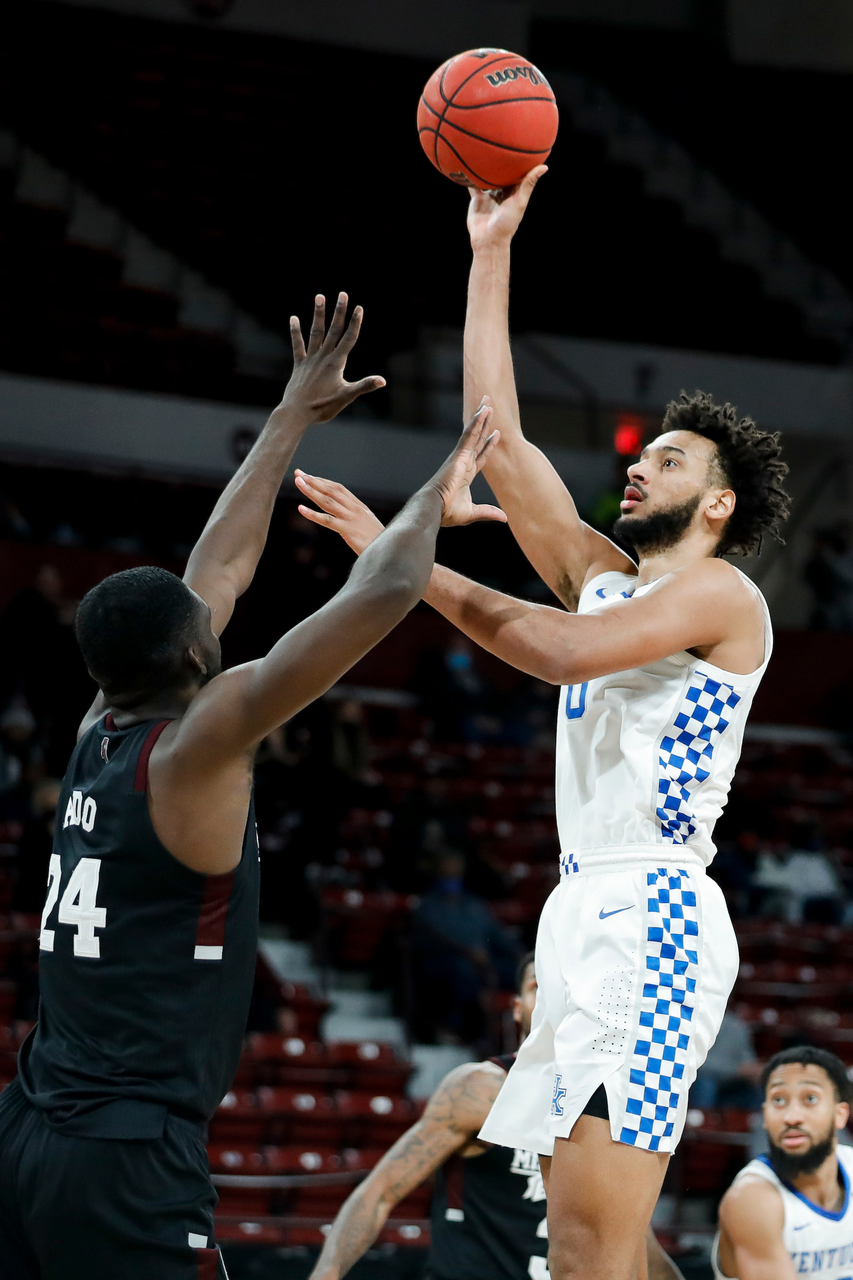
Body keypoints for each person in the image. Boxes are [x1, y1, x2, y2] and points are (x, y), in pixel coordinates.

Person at [293, 169, 791, 1280]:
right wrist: (489, 251)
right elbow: (501, 442)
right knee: (582, 1249)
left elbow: (554, 652)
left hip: (654, 910)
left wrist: (409, 566)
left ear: (716, 504)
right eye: (642, 451)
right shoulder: (605, 575)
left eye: (667, 459)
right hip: (584, 907)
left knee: (589, 1246)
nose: (635, 461)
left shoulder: (724, 600)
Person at [0, 294, 506, 1280]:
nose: (210, 605)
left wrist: (288, 414)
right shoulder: (199, 743)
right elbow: (385, 590)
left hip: (32, 1120)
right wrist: (431, 498)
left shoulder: (99, 722)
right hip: (125, 1153)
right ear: (196, 653)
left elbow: (217, 565)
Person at [309, 954, 685, 1280]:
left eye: (563, 987)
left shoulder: (605, 1106)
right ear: (518, 1007)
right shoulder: (480, 1090)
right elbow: (378, 1194)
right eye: (539, 986)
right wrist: (326, 1273)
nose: (552, 998)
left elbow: (636, 1243)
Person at [714, 1046, 853, 1279]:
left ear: (840, 1115)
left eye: (810, 1099)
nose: (791, 1117)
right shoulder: (752, 1199)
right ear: (765, 1116)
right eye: (778, 1100)